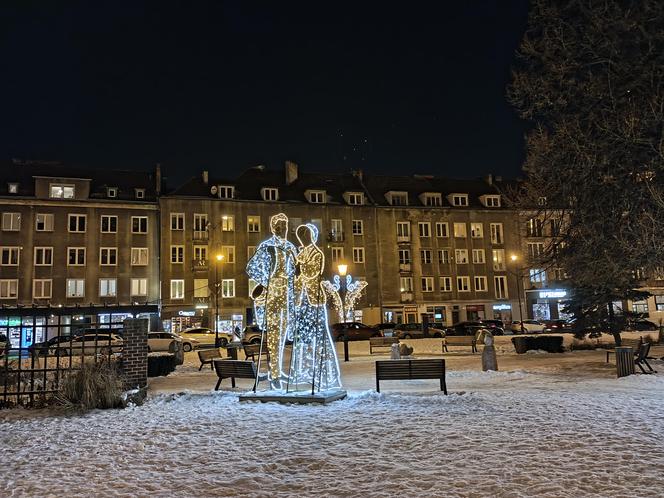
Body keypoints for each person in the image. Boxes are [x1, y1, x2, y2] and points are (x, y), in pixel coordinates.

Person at [246, 213, 297, 390]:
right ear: (273, 228)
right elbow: (251, 267)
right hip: (273, 290)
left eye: (284, 226)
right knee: (274, 333)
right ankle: (274, 373)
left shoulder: (290, 247)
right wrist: (266, 280)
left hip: (288, 293)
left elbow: (296, 271)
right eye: (279, 226)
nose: (282, 229)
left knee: (283, 333)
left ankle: (278, 369)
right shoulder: (267, 246)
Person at [290, 223, 341, 390]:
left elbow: (313, 273)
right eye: (300, 237)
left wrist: (300, 267)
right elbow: (296, 279)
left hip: (315, 299)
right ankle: (303, 372)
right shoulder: (301, 253)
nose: (302, 240)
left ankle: (326, 374)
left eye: (304, 236)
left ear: (311, 237)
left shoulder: (316, 253)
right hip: (302, 301)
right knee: (302, 338)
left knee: (320, 337)